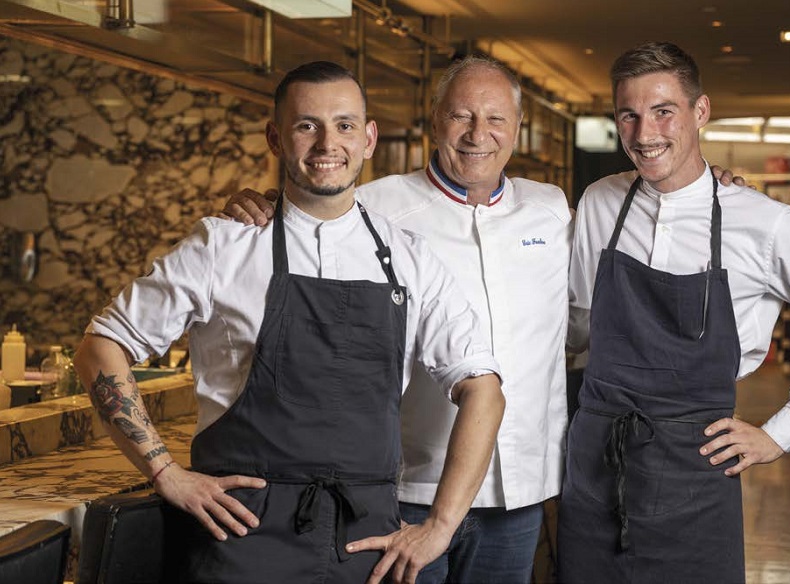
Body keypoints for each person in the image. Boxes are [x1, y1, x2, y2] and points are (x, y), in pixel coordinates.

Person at [224, 55, 744, 583]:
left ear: (518, 128)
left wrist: (704, 183)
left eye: (496, 119)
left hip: (519, 494)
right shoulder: (374, 208)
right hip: (406, 489)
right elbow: (307, 219)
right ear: (434, 121)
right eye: (461, 116)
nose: (479, 135)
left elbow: (626, 258)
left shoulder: (553, 209)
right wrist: (258, 205)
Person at [73, 61, 506, 584]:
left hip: (365, 544)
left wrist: (439, 525)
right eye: (307, 125)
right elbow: (101, 345)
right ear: (276, 138)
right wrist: (164, 472)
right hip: (240, 535)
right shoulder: (223, 246)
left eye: (345, 125)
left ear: (369, 138)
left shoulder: (410, 258)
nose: (328, 143)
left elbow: (484, 388)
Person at [560, 41, 790, 583]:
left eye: (663, 111)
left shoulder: (766, 224)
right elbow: (577, 326)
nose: (645, 133)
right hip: (593, 467)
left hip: (696, 470)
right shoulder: (600, 202)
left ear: (701, 112)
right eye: (629, 115)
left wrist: (779, 433)